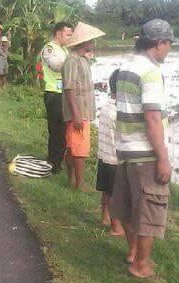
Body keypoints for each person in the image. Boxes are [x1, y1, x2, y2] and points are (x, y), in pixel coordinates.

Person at [111, 19, 179, 279]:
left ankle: (132, 252)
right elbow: (152, 118)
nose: (169, 50)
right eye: (169, 45)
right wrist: (163, 157)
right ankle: (140, 265)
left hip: (125, 151)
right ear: (159, 43)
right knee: (150, 211)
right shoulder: (151, 72)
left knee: (127, 207)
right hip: (144, 153)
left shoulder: (126, 66)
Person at [61, 22, 105, 191]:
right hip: (78, 112)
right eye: (91, 40)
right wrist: (77, 115)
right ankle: (80, 183)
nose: (93, 43)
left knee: (73, 146)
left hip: (83, 111)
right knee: (79, 148)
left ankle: (72, 180)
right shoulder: (72, 60)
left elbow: (80, 85)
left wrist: (97, 85)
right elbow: (70, 89)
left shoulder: (82, 60)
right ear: (84, 42)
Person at [41, 22, 73, 173]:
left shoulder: (65, 50)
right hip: (53, 94)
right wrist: (73, 63)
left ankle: (58, 161)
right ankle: (53, 162)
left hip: (64, 94)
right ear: (58, 34)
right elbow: (55, 66)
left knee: (64, 130)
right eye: (68, 34)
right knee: (56, 130)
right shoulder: (49, 49)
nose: (70, 37)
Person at [97, 70, 125, 237]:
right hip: (115, 159)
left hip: (104, 156)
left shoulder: (107, 107)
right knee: (115, 194)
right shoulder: (118, 112)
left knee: (107, 191)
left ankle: (105, 217)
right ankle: (116, 226)